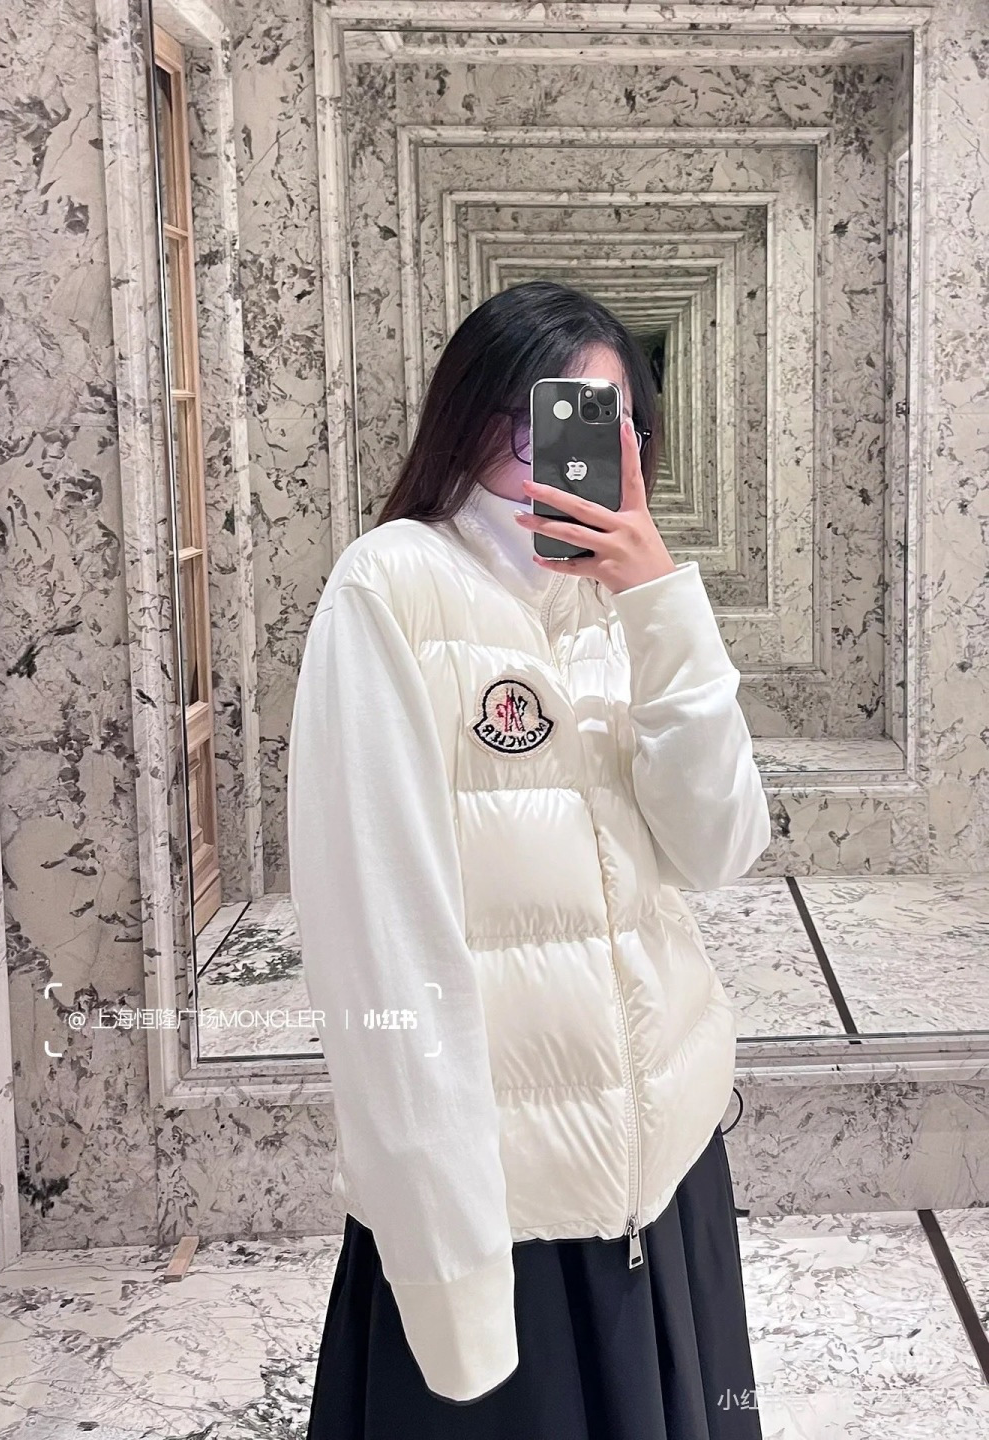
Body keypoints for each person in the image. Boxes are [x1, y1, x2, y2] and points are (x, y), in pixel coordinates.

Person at [287, 280, 771, 1439]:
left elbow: (718, 848)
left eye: (599, 420)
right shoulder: (393, 585)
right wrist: (445, 1262)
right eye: (536, 411)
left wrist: (661, 602)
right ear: (468, 416)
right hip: (508, 1206)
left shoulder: (626, 603)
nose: (557, 449)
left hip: (666, 1171)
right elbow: (383, 950)